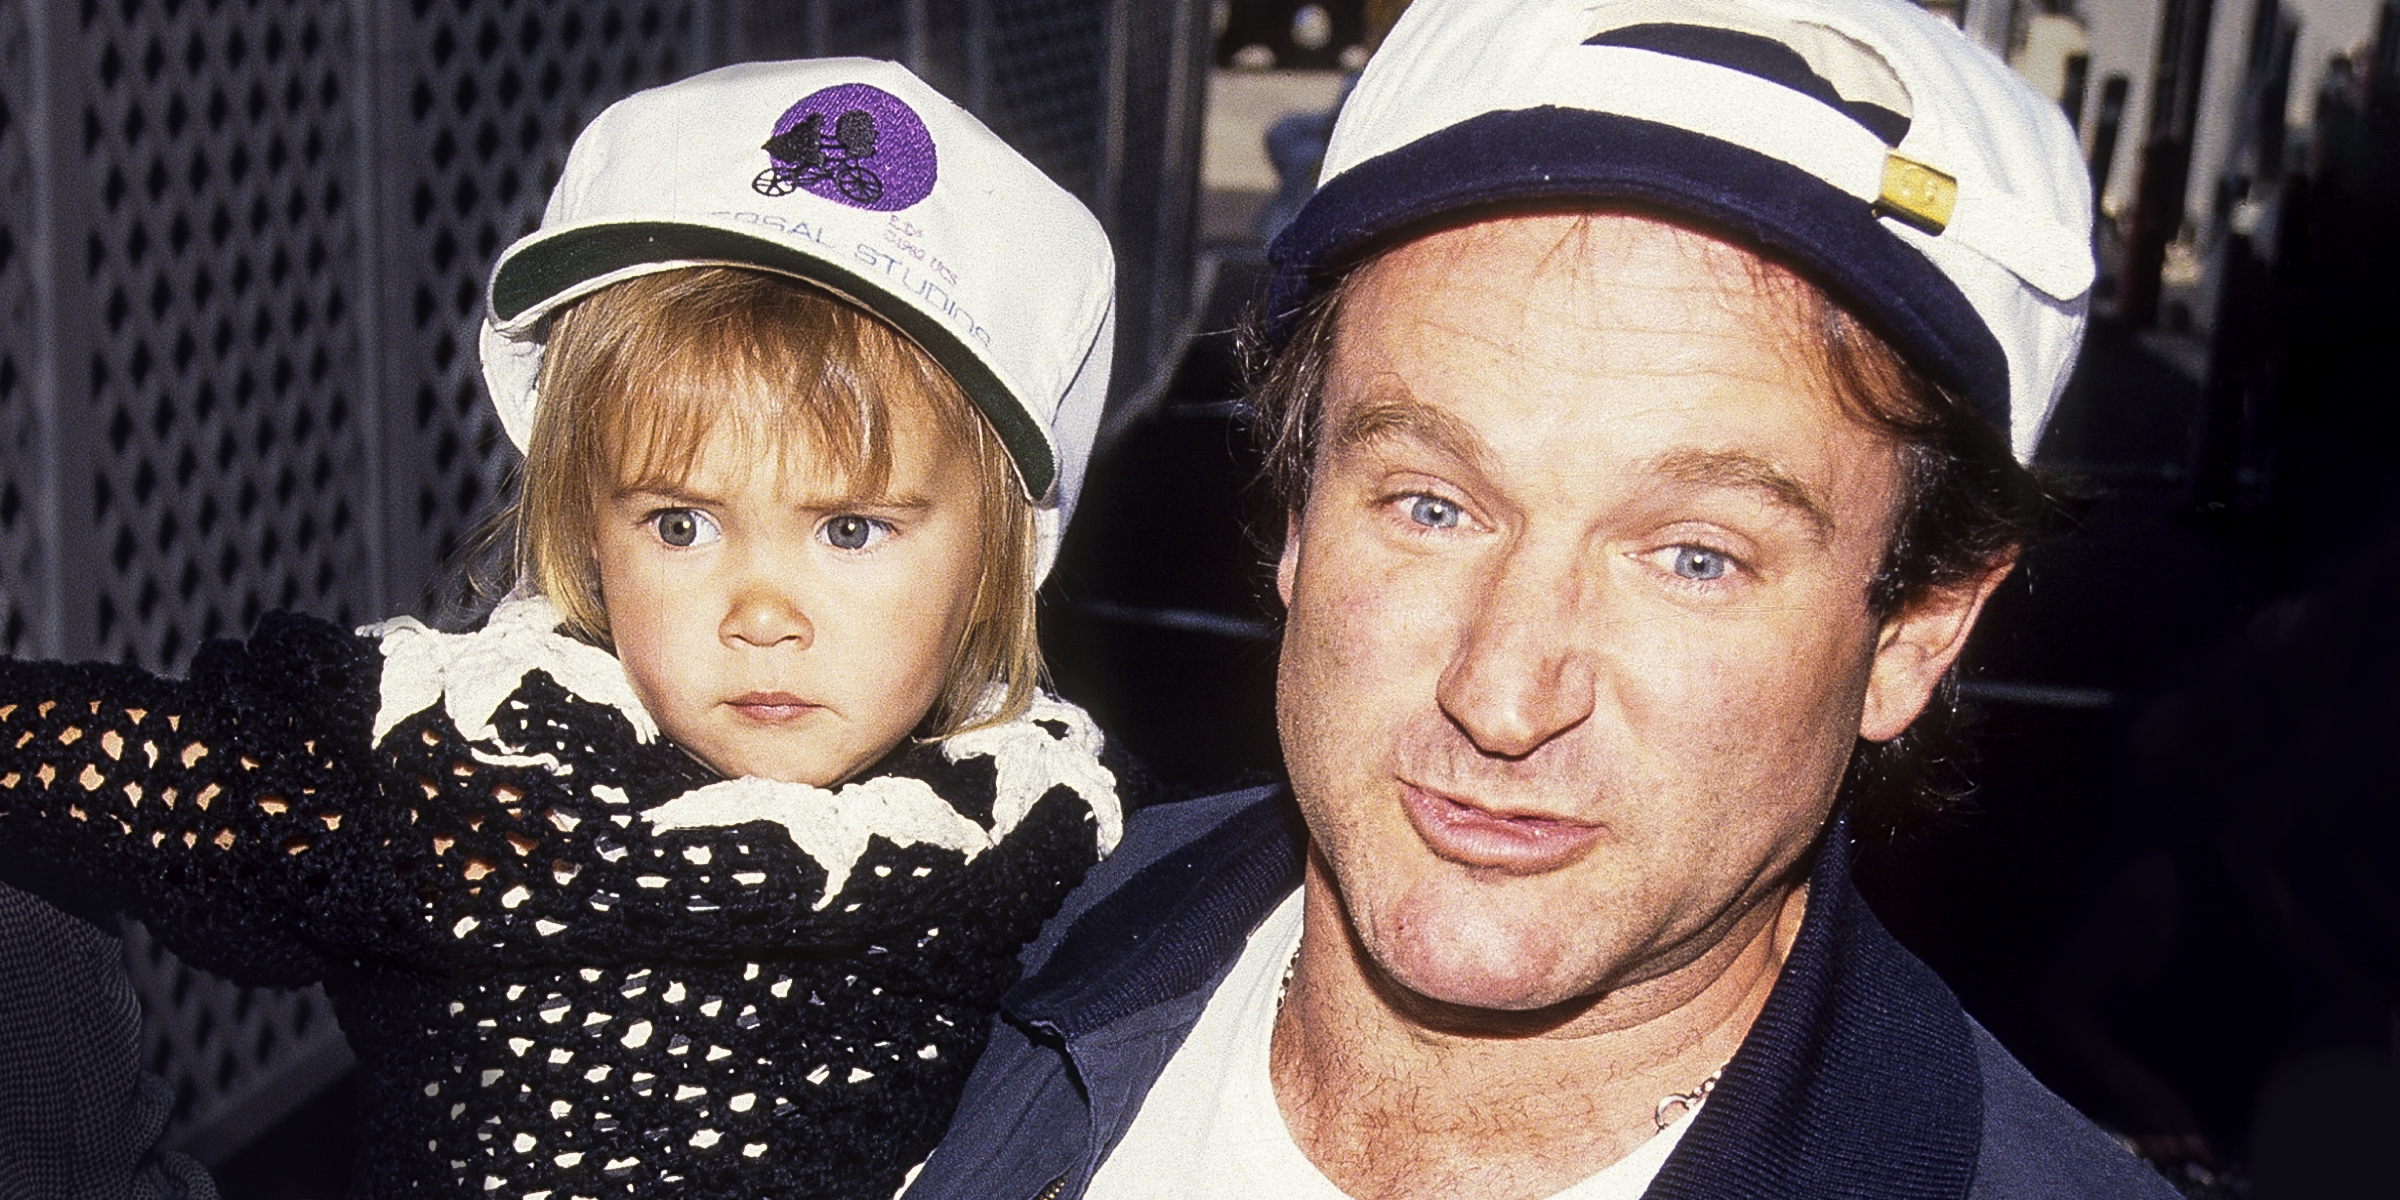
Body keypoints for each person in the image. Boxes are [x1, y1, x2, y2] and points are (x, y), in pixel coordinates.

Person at [907, 1, 2184, 1197]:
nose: (1504, 698)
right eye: (1432, 506)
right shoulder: (965, 938)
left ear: (1916, 630)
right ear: (1298, 512)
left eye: (1694, 558)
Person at [0, 57, 1120, 1199]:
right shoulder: (464, 779)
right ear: (587, 527)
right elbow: (84, 762)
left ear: (997, 559)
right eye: (680, 524)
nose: (762, 614)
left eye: (849, 529)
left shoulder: (1042, 848)